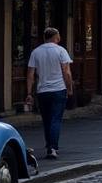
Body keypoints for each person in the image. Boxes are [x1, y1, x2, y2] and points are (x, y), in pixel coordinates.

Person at [25, 27, 73, 159]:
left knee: (46, 120)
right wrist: (69, 88)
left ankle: (49, 145)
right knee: (56, 119)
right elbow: (66, 72)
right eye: (58, 37)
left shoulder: (36, 52)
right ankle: (53, 147)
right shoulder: (61, 51)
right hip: (58, 89)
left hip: (43, 90)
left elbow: (30, 74)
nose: (59, 39)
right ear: (55, 37)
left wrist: (29, 93)